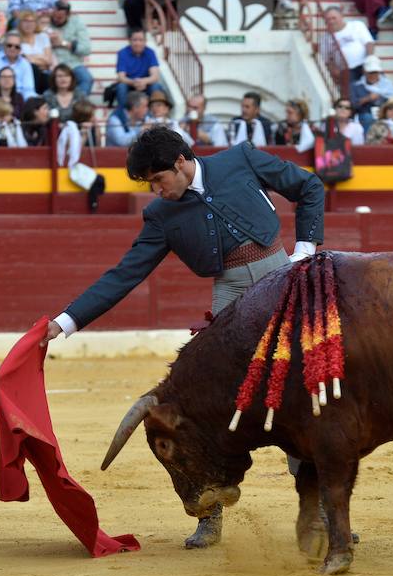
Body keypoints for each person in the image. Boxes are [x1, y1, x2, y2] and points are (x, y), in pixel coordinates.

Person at [41, 126, 325, 550]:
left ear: (180, 162)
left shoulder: (241, 159)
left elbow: (308, 185)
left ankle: (320, 513)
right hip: (229, 296)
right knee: (206, 404)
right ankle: (208, 512)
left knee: (303, 396)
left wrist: (304, 252)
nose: (157, 190)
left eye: (159, 180)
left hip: (283, 279)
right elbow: (125, 274)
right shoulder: (160, 215)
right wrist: (65, 321)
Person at [48, 0, 93, 97]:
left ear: (68, 15)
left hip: (73, 64)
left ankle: (77, 106)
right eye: (54, 16)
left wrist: (63, 43)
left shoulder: (77, 23)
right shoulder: (45, 21)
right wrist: (48, 43)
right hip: (51, 64)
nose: (56, 19)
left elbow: (86, 48)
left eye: (60, 17)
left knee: (87, 79)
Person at [322, 5, 375, 84]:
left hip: (365, 65)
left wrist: (369, 60)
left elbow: (369, 43)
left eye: (334, 18)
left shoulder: (356, 25)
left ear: (341, 16)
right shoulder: (325, 38)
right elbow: (327, 59)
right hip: (345, 71)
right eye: (328, 19)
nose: (331, 21)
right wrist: (334, 70)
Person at [115, 27, 163, 109]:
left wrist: (144, 81)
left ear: (145, 41)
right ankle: (123, 114)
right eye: (135, 40)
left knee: (156, 86)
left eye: (141, 40)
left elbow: (155, 76)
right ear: (129, 41)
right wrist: (134, 82)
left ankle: (154, 114)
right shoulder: (122, 53)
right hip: (129, 84)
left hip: (146, 84)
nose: (138, 43)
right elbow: (121, 77)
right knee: (121, 87)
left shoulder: (150, 52)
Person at [0, 31, 37, 100]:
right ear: (4, 45)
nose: (12, 48)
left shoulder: (25, 64)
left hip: (20, 100)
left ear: (20, 49)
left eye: (17, 47)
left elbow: (29, 89)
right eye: (9, 45)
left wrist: (30, 102)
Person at [350, 54, 393, 131]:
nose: (373, 75)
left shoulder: (387, 84)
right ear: (364, 72)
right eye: (370, 72)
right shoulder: (356, 86)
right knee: (367, 118)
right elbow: (353, 105)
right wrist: (368, 98)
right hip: (364, 115)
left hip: (384, 113)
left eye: (375, 72)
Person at [17, 10, 54, 95]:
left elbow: (48, 61)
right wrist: (40, 57)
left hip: (44, 73)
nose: (28, 24)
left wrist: (30, 57)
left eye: (31, 21)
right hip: (23, 72)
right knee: (33, 68)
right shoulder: (16, 38)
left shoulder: (43, 37)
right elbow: (21, 60)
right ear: (20, 23)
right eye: (25, 21)